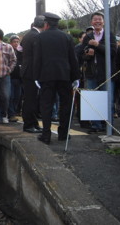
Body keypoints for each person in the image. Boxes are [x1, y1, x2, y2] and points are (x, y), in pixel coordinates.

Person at [33, 12, 80, 144]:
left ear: (46, 24)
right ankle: (63, 133)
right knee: (66, 104)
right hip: (65, 75)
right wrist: (76, 76)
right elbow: (73, 58)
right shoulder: (66, 37)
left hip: (46, 76)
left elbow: (38, 59)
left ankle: (46, 135)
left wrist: (36, 76)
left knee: (46, 105)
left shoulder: (40, 37)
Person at [81, 11, 117, 133]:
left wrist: (97, 45)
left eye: (99, 19)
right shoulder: (88, 37)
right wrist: (87, 54)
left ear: (103, 22)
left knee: (108, 100)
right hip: (91, 73)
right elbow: (82, 54)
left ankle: (108, 126)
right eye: (95, 19)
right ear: (91, 22)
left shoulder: (109, 35)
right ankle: (96, 125)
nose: (97, 21)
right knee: (93, 100)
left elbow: (113, 52)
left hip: (107, 73)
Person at [20, 16, 45, 133]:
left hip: (27, 70)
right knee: (31, 100)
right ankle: (29, 125)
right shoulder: (36, 36)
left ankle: (33, 123)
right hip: (31, 72)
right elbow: (37, 57)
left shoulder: (28, 35)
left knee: (30, 99)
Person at [0, 28, 17, 124]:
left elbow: (13, 60)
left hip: (5, 75)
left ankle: (4, 115)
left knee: (6, 96)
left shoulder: (8, 47)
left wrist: (9, 70)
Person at [8, 35, 22, 122]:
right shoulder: (8, 51)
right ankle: (11, 114)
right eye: (14, 42)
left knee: (18, 96)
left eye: (17, 42)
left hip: (19, 78)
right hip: (10, 77)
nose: (16, 43)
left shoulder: (21, 52)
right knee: (11, 96)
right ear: (11, 43)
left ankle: (15, 111)